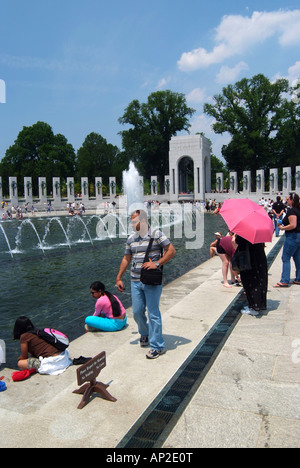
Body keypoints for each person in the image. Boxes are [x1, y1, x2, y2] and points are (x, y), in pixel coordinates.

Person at [116, 209, 176, 359]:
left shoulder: (156, 234)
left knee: (153, 313)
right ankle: (145, 333)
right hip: (135, 280)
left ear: (142, 221)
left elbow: (171, 251)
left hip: (151, 281)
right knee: (137, 312)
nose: (131, 224)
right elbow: (126, 258)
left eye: (133, 222)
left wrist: (157, 263)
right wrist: (119, 277)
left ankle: (157, 346)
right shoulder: (131, 238)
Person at [234, 235, 268, 316]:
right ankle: (260, 304)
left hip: (248, 258)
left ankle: (254, 307)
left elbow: (238, 241)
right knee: (260, 279)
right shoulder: (258, 230)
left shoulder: (244, 231)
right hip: (259, 256)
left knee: (251, 282)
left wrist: (236, 236)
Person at [274, 192, 300, 287]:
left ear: (292, 200)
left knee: (285, 257)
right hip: (298, 236)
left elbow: (293, 225)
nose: (286, 200)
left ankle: (284, 280)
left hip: (292, 236)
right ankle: (298, 278)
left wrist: (282, 228)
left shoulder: (292, 211)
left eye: (288, 199)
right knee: (297, 258)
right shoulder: (298, 210)